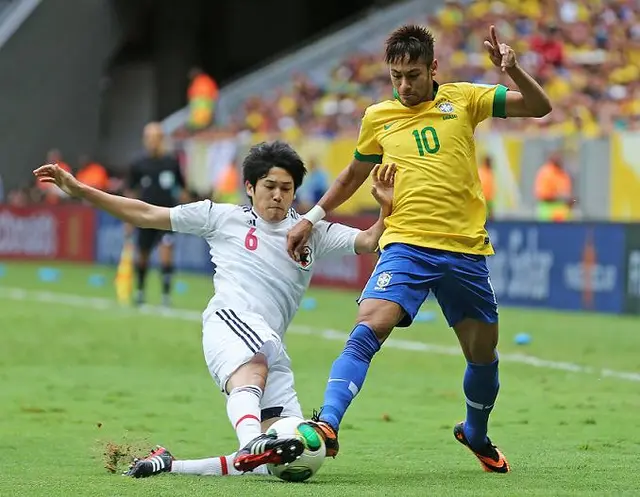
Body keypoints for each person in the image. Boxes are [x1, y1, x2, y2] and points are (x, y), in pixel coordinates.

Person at [33, 140, 395, 478]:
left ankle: (171, 465)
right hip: (230, 322)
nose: (278, 195)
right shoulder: (221, 217)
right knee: (255, 368)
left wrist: (385, 208)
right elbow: (144, 213)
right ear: (250, 187)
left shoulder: (311, 233)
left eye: (286, 188)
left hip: (271, 344)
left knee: (290, 454)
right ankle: (251, 440)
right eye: (269, 186)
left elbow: (368, 240)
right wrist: (80, 191)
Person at [287, 24, 552, 473]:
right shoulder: (378, 117)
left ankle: (476, 433)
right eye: (396, 76)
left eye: (412, 74)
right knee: (370, 324)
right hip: (406, 244)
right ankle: (327, 423)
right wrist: (311, 219)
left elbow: (540, 107)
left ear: (433, 68)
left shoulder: (464, 99)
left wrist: (515, 71)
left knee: (483, 356)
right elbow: (351, 176)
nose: (404, 85)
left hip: (465, 251)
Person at [126, 122, 186, 307]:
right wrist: (128, 218)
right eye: (149, 138)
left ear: (162, 140)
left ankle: (165, 296)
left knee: (166, 254)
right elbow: (131, 191)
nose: (152, 142)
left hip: (167, 217)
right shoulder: (137, 163)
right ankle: (140, 291)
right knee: (142, 255)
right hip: (144, 217)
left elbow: (183, 189)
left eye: (156, 138)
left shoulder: (171, 162)